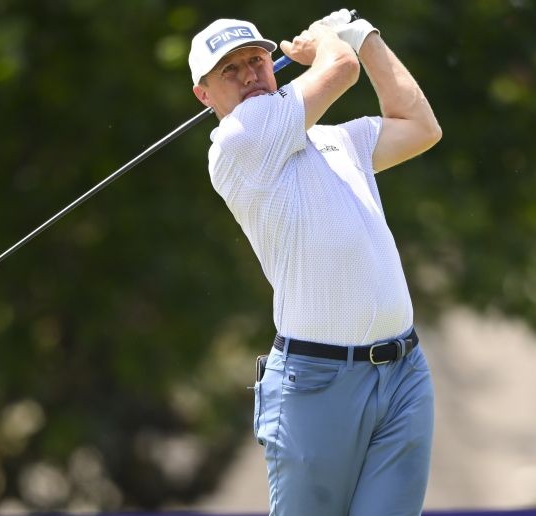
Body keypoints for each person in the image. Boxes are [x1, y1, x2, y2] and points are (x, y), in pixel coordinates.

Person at [187, 9, 441, 516]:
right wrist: (329, 41)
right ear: (205, 94)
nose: (248, 76)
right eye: (229, 71)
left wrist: (366, 37)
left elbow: (419, 126)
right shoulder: (237, 141)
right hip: (318, 384)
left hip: (404, 374)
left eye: (255, 60)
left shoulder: (333, 138)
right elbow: (340, 69)